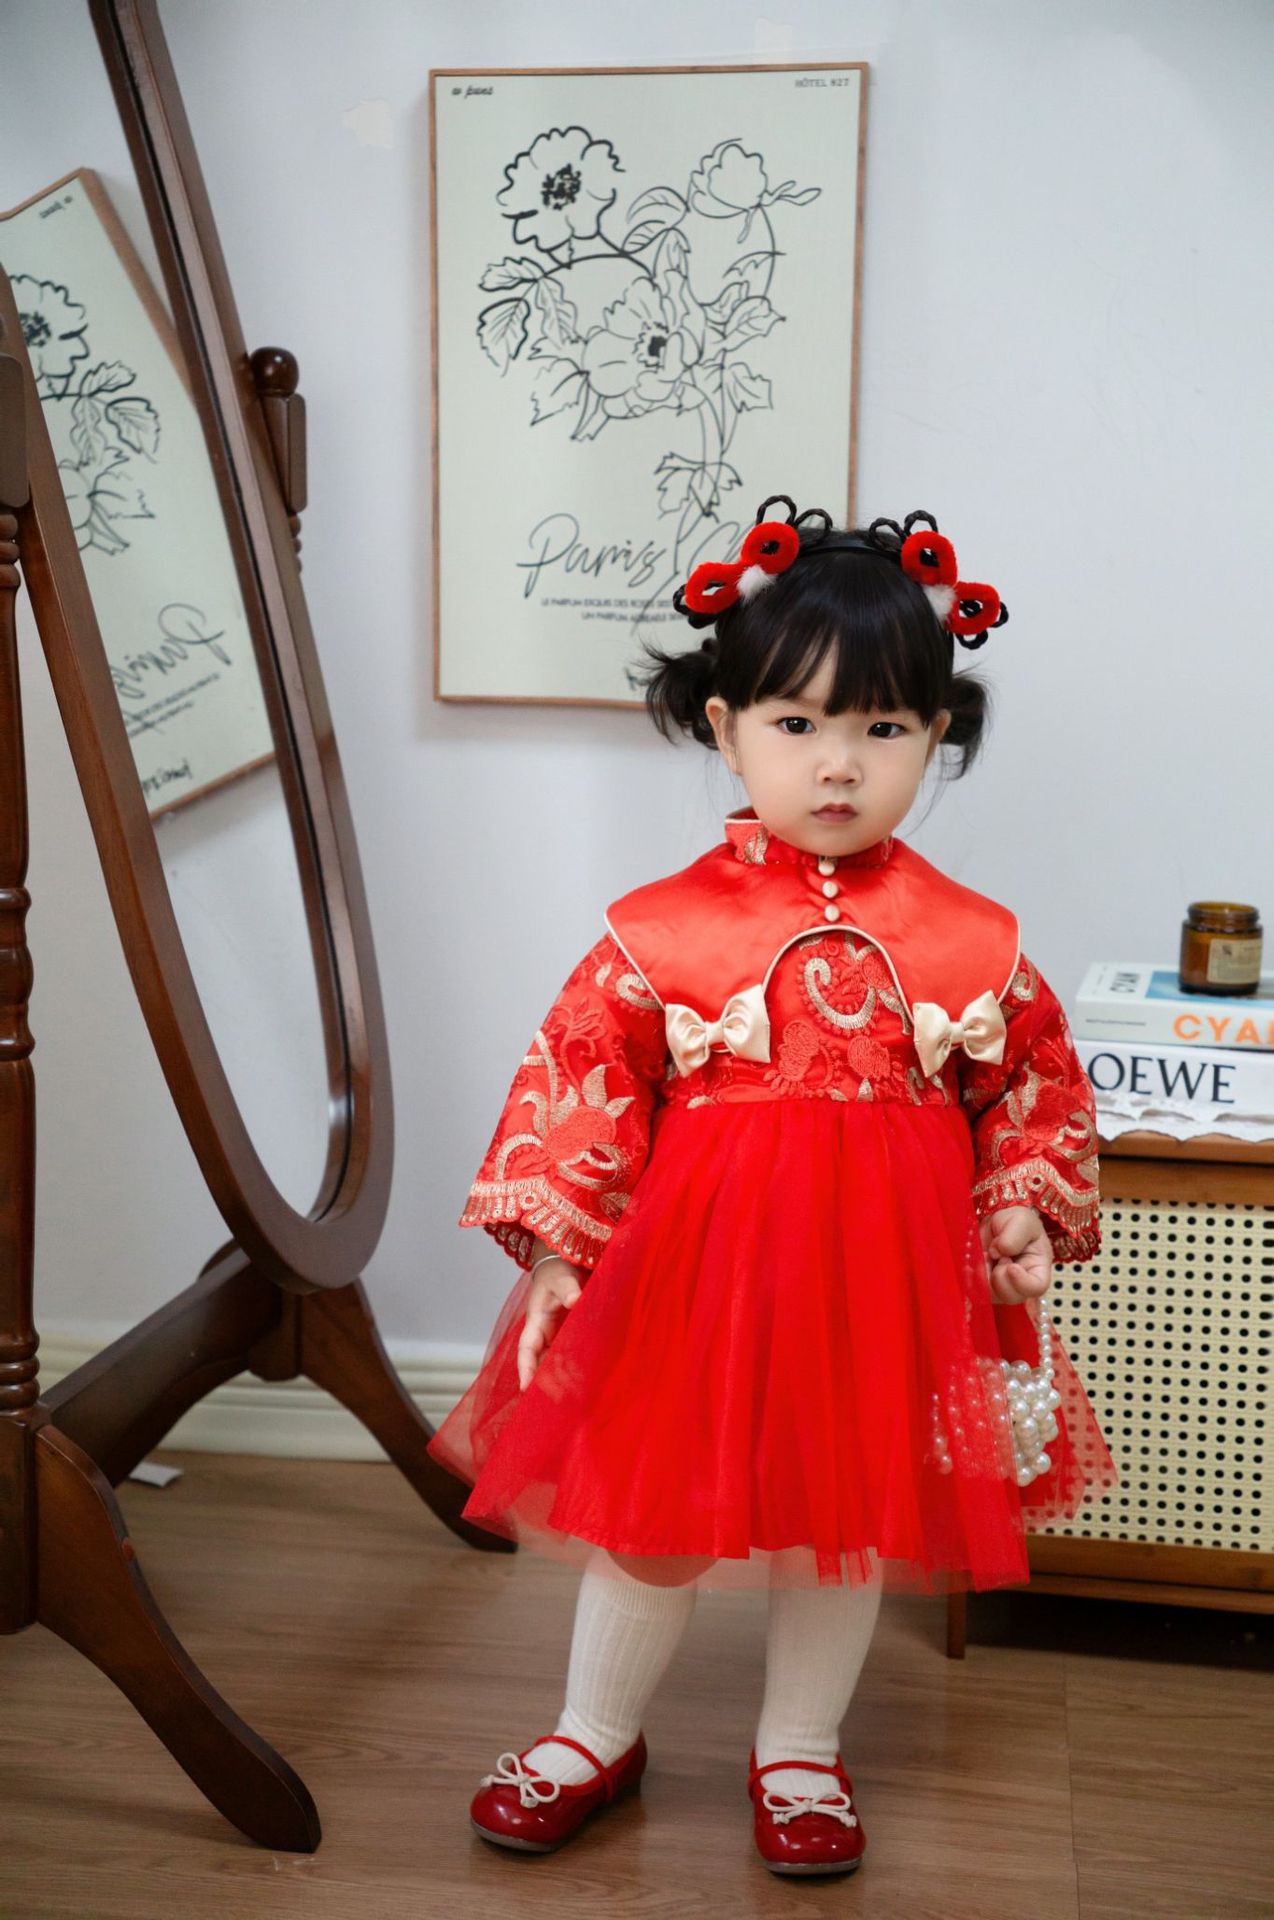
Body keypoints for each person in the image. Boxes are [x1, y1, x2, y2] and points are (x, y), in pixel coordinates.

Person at [427, 498, 1117, 1876]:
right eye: (796, 722)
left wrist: (1019, 1206)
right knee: (650, 1519)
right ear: (726, 727)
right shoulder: (662, 932)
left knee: (842, 1528)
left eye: (883, 727)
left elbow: (1031, 1089)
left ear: (935, 736)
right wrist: (561, 1250)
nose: (839, 763)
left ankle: (800, 1749)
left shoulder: (972, 943)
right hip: (697, 1283)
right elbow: (585, 1081)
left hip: (882, 1292)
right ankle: (592, 1731)